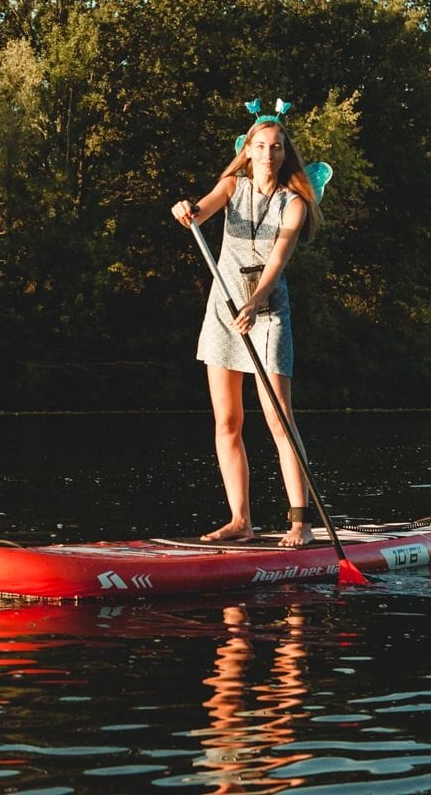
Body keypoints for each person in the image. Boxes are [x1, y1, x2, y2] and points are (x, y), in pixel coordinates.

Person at [170, 99, 323, 548]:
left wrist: (256, 302)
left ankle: (301, 522)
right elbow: (203, 207)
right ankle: (241, 521)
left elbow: (277, 260)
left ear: (285, 152)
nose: (269, 154)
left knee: (279, 418)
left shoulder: (294, 204)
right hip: (223, 307)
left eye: (277, 147)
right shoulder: (232, 185)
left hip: (267, 311)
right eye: (261, 146)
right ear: (249, 149)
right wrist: (188, 210)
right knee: (227, 422)